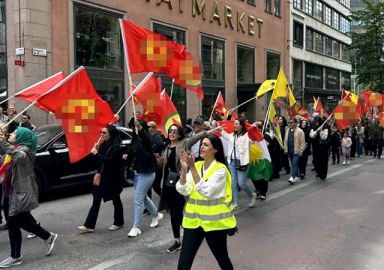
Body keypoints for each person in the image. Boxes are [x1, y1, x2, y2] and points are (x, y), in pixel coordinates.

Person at [176, 135, 236, 270]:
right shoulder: (196, 165)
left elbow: (207, 192)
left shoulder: (221, 170)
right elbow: (184, 190)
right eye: (201, 144)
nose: (202, 147)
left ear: (215, 149)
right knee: (183, 264)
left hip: (215, 225)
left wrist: (192, 169)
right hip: (194, 223)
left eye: (206, 145)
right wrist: (185, 169)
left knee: (223, 260)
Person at [0, 127, 58, 268]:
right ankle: (47, 236)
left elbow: (19, 157)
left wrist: (2, 141)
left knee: (14, 223)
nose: (11, 134)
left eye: (14, 133)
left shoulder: (26, 152)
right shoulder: (11, 151)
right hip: (10, 192)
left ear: (21, 138)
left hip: (20, 194)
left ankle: (16, 256)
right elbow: (3, 161)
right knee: (21, 221)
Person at [157, 123, 216, 253]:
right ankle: (177, 241)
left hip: (181, 181)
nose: (172, 133)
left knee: (177, 212)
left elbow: (198, 136)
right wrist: (160, 162)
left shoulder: (184, 143)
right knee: (173, 214)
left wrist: (210, 131)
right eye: (170, 131)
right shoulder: (166, 146)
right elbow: (165, 167)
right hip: (168, 183)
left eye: (174, 131)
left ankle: (193, 230)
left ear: (179, 134)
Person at [78, 125, 124, 233]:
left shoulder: (116, 147)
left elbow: (109, 161)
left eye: (104, 133)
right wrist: (96, 152)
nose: (101, 135)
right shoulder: (103, 145)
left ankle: (119, 222)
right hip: (102, 177)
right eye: (101, 132)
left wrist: (97, 153)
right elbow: (99, 162)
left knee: (116, 199)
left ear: (111, 134)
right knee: (96, 199)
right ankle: (89, 225)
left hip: (112, 177)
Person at [126, 120, 163, 237]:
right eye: (134, 127)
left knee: (138, 199)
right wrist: (127, 156)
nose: (135, 128)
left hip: (147, 173)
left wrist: (140, 129)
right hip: (136, 173)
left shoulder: (148, 139)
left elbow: (147, 141)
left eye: (137, 126)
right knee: (144, 197)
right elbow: (133, 153)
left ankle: (136, 227)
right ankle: (156, 214)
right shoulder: (135, 139)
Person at [220, 118, 256, 210]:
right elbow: (226, 136)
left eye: (236, 124)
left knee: (242, 183)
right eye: (234, 124)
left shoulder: (247, 136)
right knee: (234, 183)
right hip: (232, 161)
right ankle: (236, 203)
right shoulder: (232, 135)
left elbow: (253, 140)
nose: (234, 125)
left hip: (242, 162)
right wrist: (220, 129)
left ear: (241, 125)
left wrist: (254, 130)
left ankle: (251, 196)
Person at [283, 118, 306, 185]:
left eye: (291, 123)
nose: (289, 124)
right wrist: (285, 149)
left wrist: (301, 150)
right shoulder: (287, 130)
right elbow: (285, 140)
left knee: (295, 163)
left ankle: (292, 177)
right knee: (293, 164)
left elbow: (302, 142)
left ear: (295, 123)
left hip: (296, 151)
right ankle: (295, 176)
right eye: (288, 123)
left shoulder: (300, 131)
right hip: (289, 151)